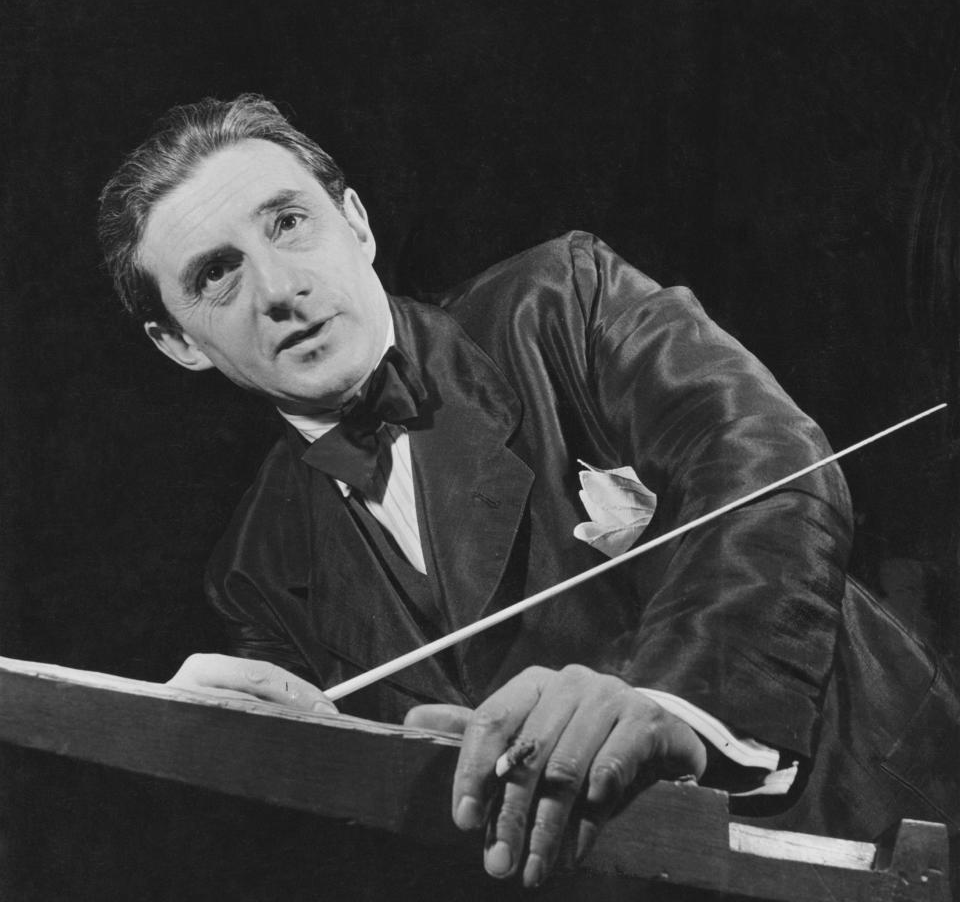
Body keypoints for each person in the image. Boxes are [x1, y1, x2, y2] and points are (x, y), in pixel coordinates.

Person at [98, 94, 958, 888]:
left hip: (867, 815)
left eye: (289, 224)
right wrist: (231, 757)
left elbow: (767, 465)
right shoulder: (251, 569)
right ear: (179, 344)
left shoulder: (559, 301)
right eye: (218, 274)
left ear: (355, 223)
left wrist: (671, 704)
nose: (280, 289)